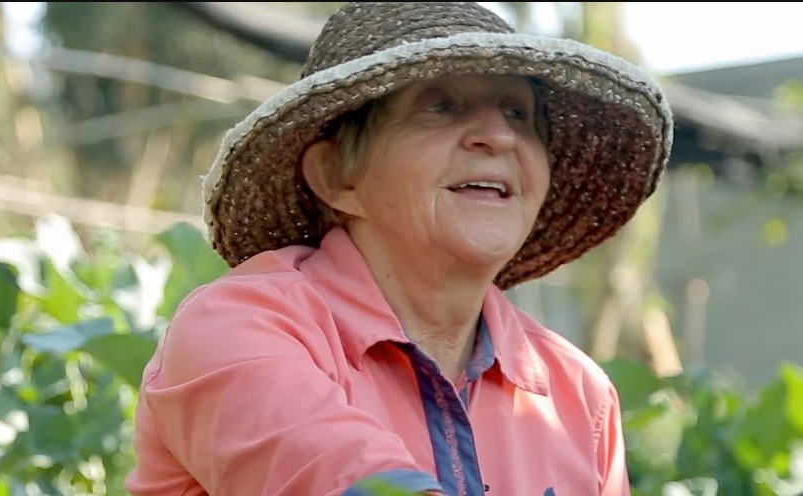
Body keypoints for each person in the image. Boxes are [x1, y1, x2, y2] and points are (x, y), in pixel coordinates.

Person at [126, 2, 672, 495]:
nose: (500, 136)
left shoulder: (581, 395)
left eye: (517, 113)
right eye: (441, 106)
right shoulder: (236, 328)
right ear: (338, 176)